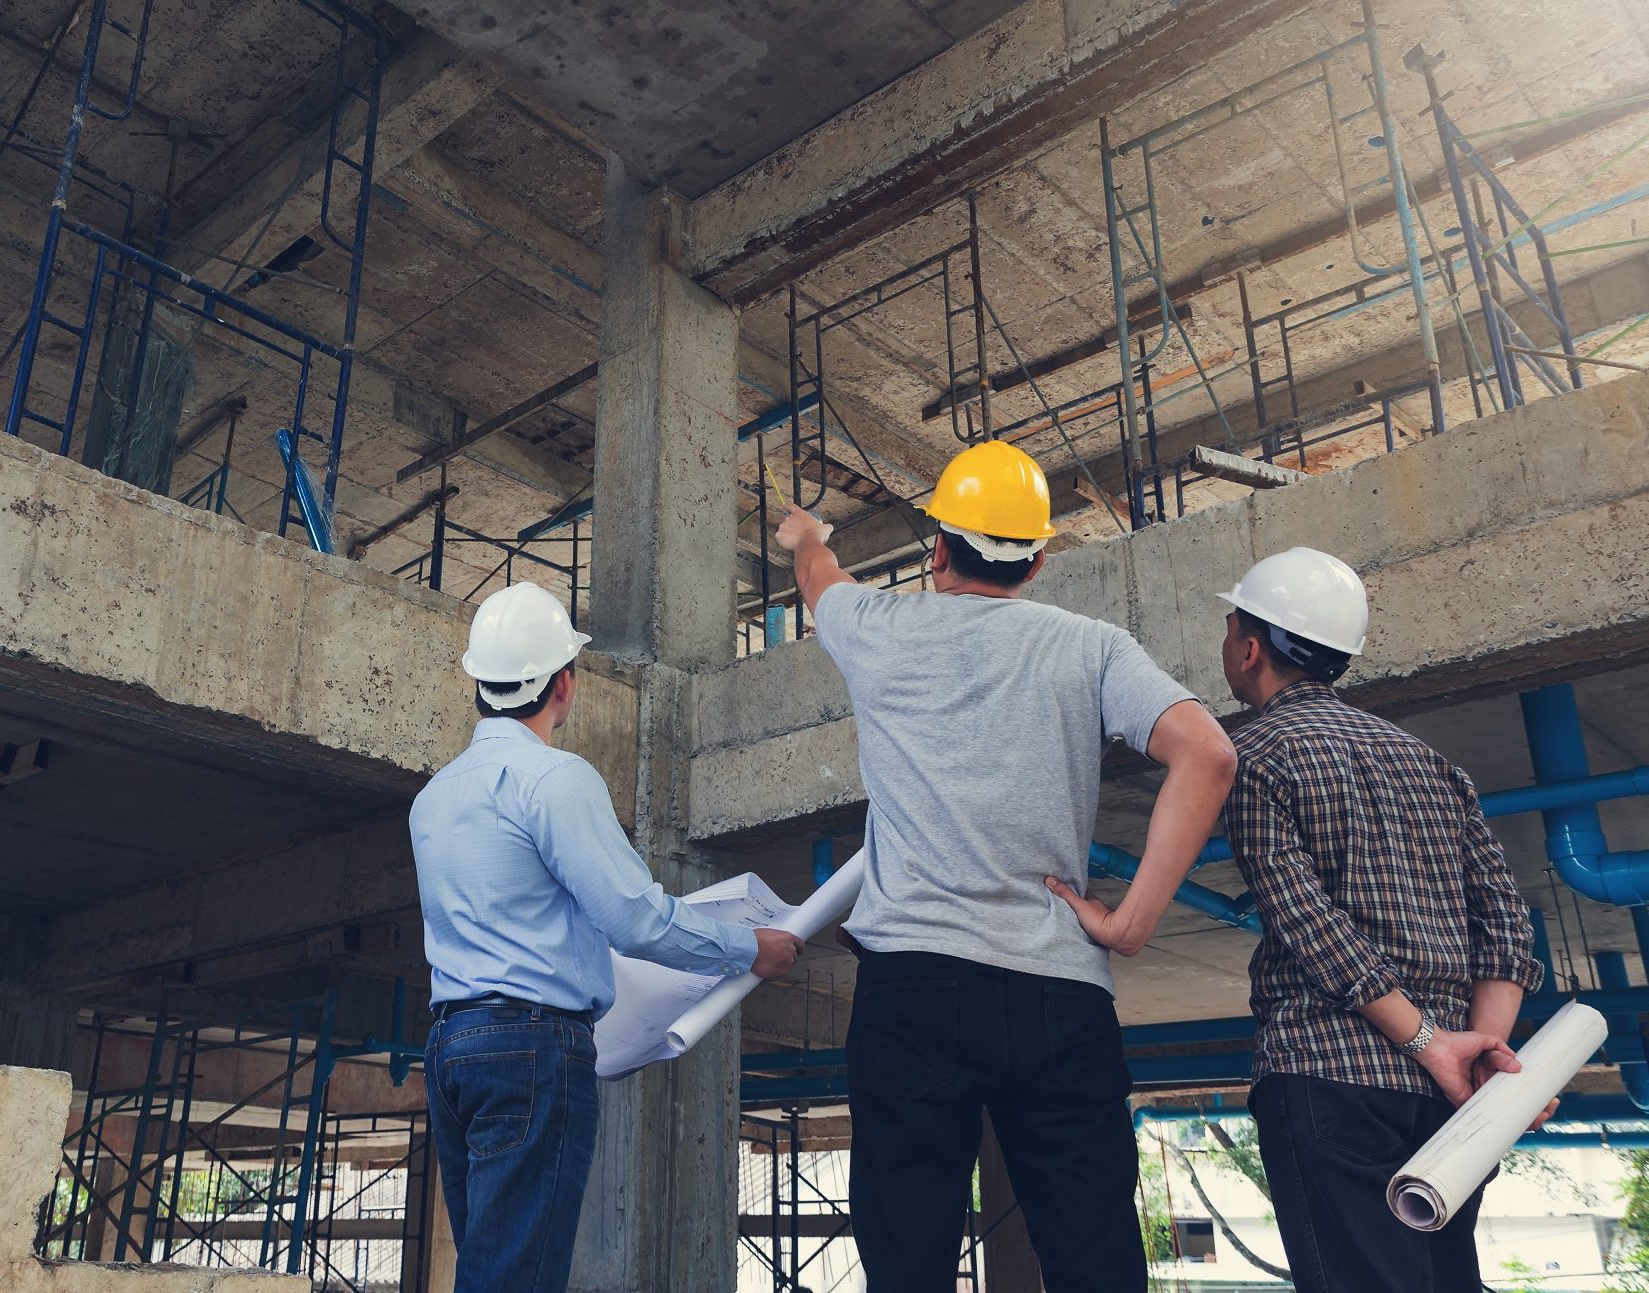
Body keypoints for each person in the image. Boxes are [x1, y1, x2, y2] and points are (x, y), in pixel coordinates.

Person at [773, 441, 1238, 1292]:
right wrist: (1130, 923)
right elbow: (1206, 754)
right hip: (1059, 991)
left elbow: (818, 577)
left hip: (912, 992)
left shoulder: (877, 627)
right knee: (1095, 1257)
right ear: (1039, 558)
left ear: (938, 549)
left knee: (907, 1262)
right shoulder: (1093, 646)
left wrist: (806, 532)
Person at [410, 582, 804, 1293]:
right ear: (565, 682)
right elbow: (635, 919)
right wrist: (751, 948)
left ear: (478, 681)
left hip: (450, 1046)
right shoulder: (556, 780)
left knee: (489, 1264)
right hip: (531, 1046)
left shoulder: (432, 797)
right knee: (517, 1277)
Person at [1216, 547, 1547, 1293]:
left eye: (1230, 622)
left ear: (1249, 646)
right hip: (1452, 1101)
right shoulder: (1432, 763)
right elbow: (1506, 922)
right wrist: (1481, 1058)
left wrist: (1432, 1043)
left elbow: (1307, 922)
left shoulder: (1254, 755)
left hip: (1329, 1074)